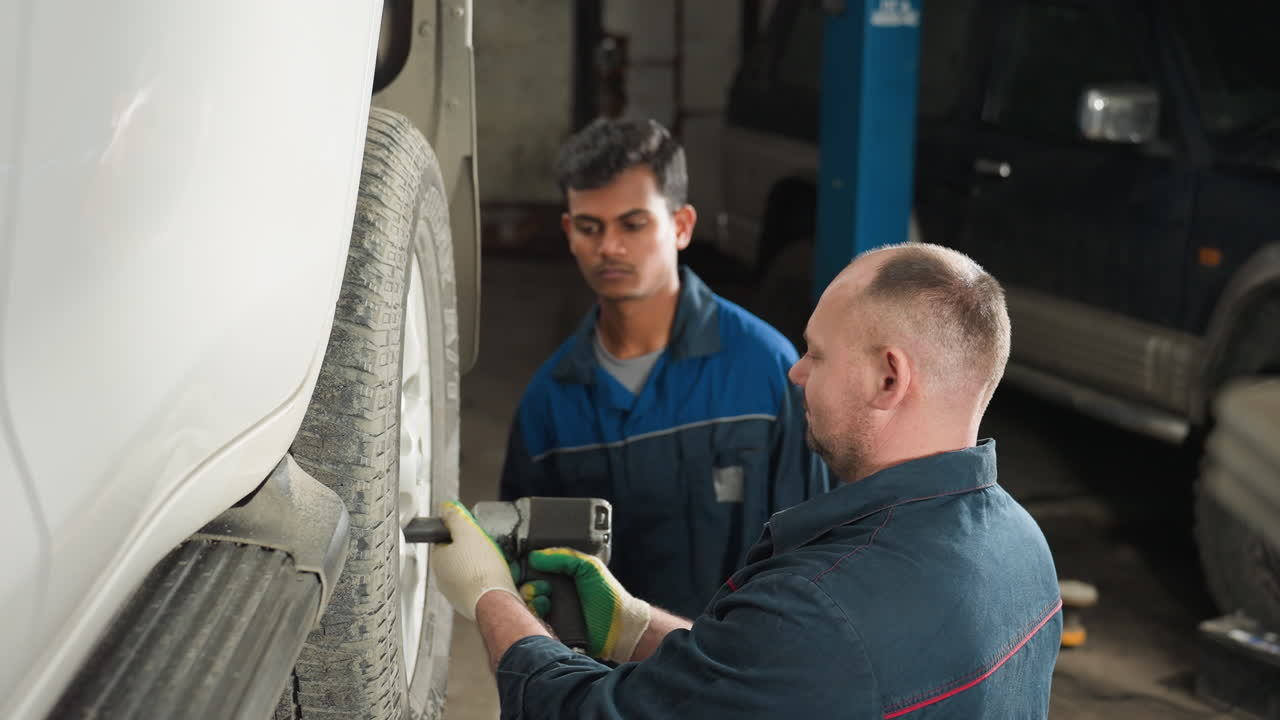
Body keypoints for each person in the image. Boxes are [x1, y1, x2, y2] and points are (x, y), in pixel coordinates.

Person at [434, 242, 1063, 718]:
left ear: (888, 379)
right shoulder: (1023, 550)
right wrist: (634, 627)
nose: (795, 373)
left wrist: (492, 598)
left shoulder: (820, 607)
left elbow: (586, 712)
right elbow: (782, 687)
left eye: (816, 353)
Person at [499, 118, 829, 619]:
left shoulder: (767, 373)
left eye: (633, 224)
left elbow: (818, 553)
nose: (609, 246)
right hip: (608, 691)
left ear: (682, 226)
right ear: (569, 232)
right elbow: (529, 586)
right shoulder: (548, 406)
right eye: (590, 227)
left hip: (745, 680)